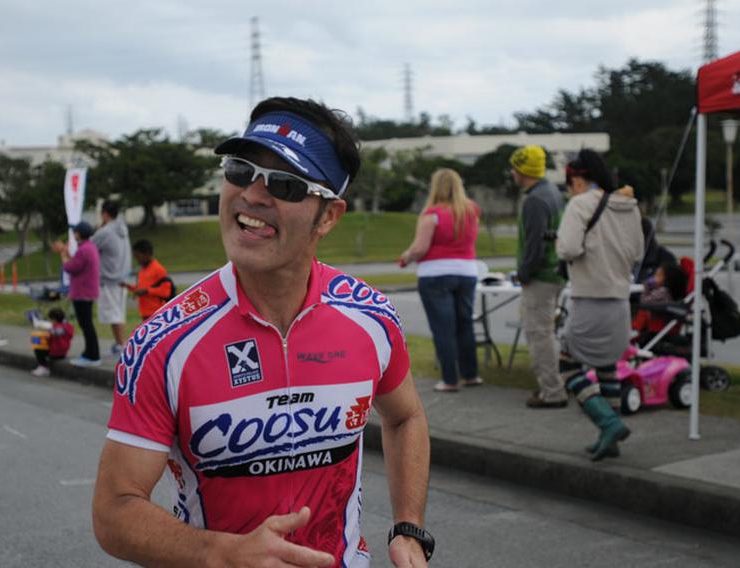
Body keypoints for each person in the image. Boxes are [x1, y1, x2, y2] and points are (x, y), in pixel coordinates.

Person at [92, 97, 433, 568]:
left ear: (328, 216)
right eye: (240, 169)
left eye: (286, 184)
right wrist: (222, 552)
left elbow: (405, 417)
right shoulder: (163, 343)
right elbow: (113, 511)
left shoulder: (371, 318)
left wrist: (409, 527)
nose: (252, 194)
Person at [556, 149, 644, 461]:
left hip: (590, 296)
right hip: (620, 299)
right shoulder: (629, 206)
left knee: (566, 366)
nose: (569, 188)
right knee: (607, 367)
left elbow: (567, 248)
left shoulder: (580, 204)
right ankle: (611, 439)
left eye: (569, 182)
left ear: (578, 178)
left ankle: (608, 422)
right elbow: (637, 252)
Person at [399, 168, 483, 392]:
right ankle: (470, 374)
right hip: (467, 272)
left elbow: (420, 248)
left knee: (443, 328)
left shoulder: (432, 215)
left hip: (435, 274)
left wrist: (406, 257)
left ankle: (449, 379)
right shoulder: (472, 211)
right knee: (464, 325)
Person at [509, 145, 567, 408]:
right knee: (548, 332)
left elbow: (535, 244)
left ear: (522, 170)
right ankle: (552, 384)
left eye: (514, 168)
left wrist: (523, 273)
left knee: (538, 334)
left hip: (540, 276)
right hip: (555, 273)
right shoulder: (553, 192)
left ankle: (552, 391)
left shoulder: (534, 200)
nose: (511, 173)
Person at [53, 221, 101, 367]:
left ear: (78, 234)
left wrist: (62, 253)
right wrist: (66, 253)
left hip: (82, 292)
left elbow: (70, 267)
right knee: (87, 324)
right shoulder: (89, 247)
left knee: (86, 324)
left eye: (75, 232)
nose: (74, 234)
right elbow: (76, 263)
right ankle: (89, 353)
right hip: (87, 291)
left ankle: (92, 356)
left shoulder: (84, 250)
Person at [92, 200, 131, 356]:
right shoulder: (122, 228)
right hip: (123, 276)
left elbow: (90, 247)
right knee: (119, 312)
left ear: (105, 214)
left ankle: (121, 344)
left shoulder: (105, 232)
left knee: (114, 314)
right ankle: (120, 343)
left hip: (109, 278)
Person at [121, 239, 172, 321]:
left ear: (147, 253)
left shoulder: (159, 269)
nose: (136, 259)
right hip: (145, 313)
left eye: (138, 256)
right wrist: (128, 286)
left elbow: (166, 292)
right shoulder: (142, 270)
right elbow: (141, 289)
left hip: (157, 313)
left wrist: (147, 291)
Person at [30, 307, 74, 377]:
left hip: (55, 352)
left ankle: (43, 367)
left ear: (53, 319)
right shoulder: (68, 326)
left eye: (50, 319)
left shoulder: (55, 329)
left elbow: (50, 334)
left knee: (38, 347)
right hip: (63, 352)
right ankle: (44, 366)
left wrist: (41, 328)